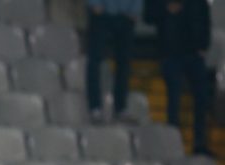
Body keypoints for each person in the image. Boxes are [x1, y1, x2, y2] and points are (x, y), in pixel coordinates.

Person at [144, 0, 211, 153]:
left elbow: (205, 16)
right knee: (174, 99)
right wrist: (166, 8)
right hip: (170, 52)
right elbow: (148, 15)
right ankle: (172, 144)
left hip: (194, 52)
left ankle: (199, 144)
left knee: (202, 98)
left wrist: (204, 44)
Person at [87, 0, 141, 123]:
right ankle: (95, 108)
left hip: (126, 15)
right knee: (95, 61)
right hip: (101, 13)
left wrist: (135, 10)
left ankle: (121, 108)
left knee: (124, 63)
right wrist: (94, 3)